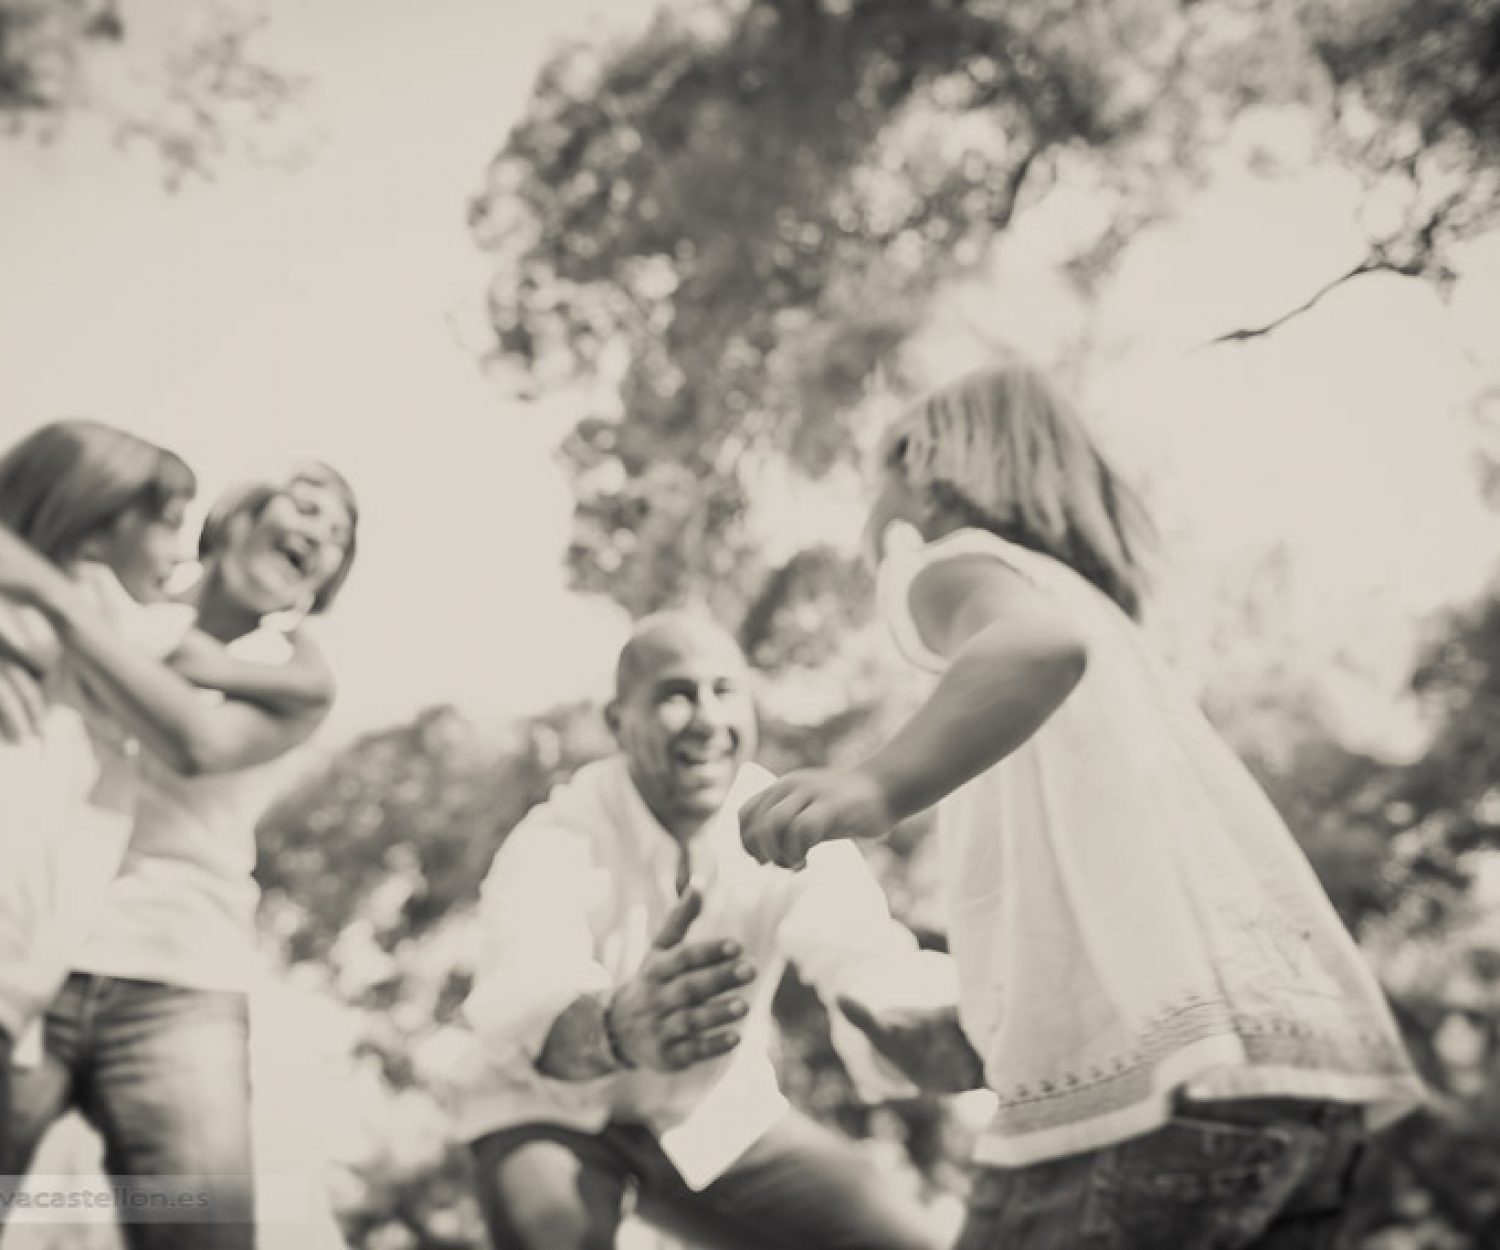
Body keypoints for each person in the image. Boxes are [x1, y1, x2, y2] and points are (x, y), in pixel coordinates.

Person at [739, 364, 1426, 1250]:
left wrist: (874, 785)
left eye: (878, 477)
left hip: (1153, 1107)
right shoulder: (1102, 623)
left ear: (925, 472)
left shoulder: (947, 566)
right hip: (1298, 1084)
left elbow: (1036, 646)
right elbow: (1106, 919)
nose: (871, 514)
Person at [452, 611, 961, 1250]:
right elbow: (526, 1002)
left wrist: (920, 1024)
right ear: (617, 722)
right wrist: (615, 1029)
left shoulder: (784, 818)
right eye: (676, 694)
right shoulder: (555, 839)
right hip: (549, 1114)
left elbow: (866, 960)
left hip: (713, 1115)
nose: (707, 718)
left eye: (725, 691)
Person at [0, 458, 359, 1250]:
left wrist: (54, 608)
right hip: (28, 947)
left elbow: (198, 741)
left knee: (198, 1232)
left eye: (337, 537)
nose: (317, 534)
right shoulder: (116, 598)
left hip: (177, 976)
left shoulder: (293, 676)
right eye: (305, 505)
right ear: (238, 512)